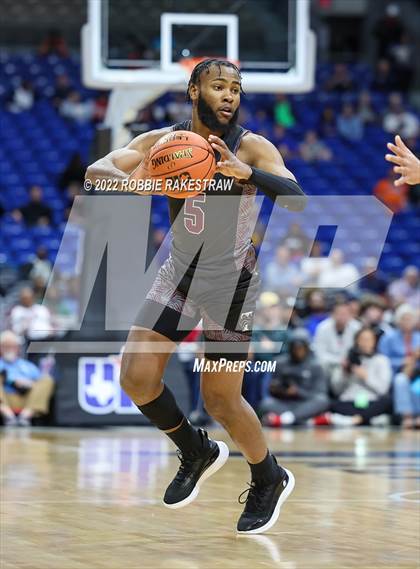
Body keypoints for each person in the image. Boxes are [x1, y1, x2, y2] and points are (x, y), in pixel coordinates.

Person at [85, 59, 307, 534]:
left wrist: (246, 173)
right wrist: (138, 182)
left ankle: (268, 475)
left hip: (230, 283)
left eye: (236, 88)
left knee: (222, 401)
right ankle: (195, 449)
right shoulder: (164, 143)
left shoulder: (252, 146)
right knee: (136, 378)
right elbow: (96, 171)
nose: (230, 95)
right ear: (193, 90)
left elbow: (296, 197)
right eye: (219, 86)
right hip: (178, 276)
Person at [259, 329, 329, 427]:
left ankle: (286, 419)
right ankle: (302, 420)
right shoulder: (280, 363)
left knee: (322, 401)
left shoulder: (316, 366)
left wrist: (298, 392)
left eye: (300, 348)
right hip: (285, 403)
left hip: (305, 403)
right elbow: (272, 390)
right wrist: (278, 389)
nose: (298, 351)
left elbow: (320, 392)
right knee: (266, 404)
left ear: (307, 348)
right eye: (295, 348)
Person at [329, 327, 392, 426]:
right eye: (362, 339)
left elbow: (383, 390)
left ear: (374, 342)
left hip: (371, 401)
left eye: (368, 340)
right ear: (356, 341)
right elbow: (336, 390)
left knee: (388, 401)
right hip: (350, 401)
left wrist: (366, 377)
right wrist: (344, 373)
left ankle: (355, 420)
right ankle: (369, 419)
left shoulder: (382, 360)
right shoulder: (348, 359)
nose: (365, 343)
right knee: (330, 403)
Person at [0, 331, 54, 426]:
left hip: (26, 399)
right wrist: (12, 380)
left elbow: (40, 382)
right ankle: (7, 415)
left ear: (18, 348)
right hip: (5, 400)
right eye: (6, 346)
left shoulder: (27, 366)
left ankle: (25, 416)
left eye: (13, 346)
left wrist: (29, 383)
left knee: (47, 380)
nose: (10, 349)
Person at [313, 299, 361, 377]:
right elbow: (320, 354)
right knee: (320, 365)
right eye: (339, 313)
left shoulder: (357, 327)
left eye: (345, 313)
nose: (342, 317)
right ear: (332, 314)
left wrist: (349, 362)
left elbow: (359, 350)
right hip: (328, 364)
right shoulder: (322, 328)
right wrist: (339, 361)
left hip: (349, 364)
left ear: (350, 314)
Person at [378, 304, 420, 376]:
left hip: (417, 371)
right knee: (400, 380)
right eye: (404, 319)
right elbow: (381, 361)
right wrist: (401, 362)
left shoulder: (418, 336)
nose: (408, 322)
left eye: (410, 319)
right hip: (395, 373)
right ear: (398, 320)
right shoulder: (388, 337)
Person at [393, 350, 420, 429]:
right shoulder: (414, 361)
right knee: (400, 378)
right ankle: (407, 417)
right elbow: (406, 373)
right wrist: (414, 359)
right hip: (412, 399)